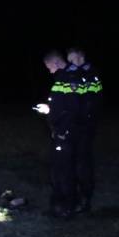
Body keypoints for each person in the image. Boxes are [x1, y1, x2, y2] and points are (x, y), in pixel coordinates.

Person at [34, 51, 80, 218]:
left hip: (65, 132)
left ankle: (67, 208)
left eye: (49, 67)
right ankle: (59, 206)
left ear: (55, 62)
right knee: (58, 170)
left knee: (64, 170)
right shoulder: (62, 78)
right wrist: (49, 108)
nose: (49, 71)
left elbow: (72, 109)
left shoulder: (69, 79)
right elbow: (61, 105)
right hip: (60, 131)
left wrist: (63, 131)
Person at [66, 47, 103, 213]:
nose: (71, 63)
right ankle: (75, 197)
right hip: (75, 126)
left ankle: (85, 198)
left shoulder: (91, 74)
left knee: (83, 163)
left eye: (72, 59)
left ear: (81, 57)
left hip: (85, 127)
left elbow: (94, 101)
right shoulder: (74, 74)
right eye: (69, 60)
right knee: (74, 162)